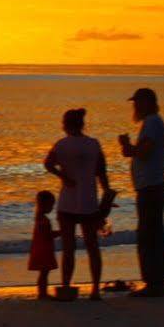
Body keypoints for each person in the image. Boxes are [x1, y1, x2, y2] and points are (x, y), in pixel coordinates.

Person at [43, 108, 109, 300]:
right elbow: (101, 173)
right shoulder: (94, 144)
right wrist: (107, 195)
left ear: (65, 125)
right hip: (89, 202)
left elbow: (47, 164)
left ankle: (65, 286)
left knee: (69, 248)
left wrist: (63, 176)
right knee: (92, 247)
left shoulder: (61, 145)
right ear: (82, 124)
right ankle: (95, 289)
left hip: (67, 203)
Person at [119, 87, 164, 297]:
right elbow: (140, 152)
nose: (135, 107)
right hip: (150, 186)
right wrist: (129, 148)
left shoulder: (153, 123)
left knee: (149, 236)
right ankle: (155, 281)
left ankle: (154, 283)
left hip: (151, 187)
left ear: (148, 103)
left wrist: (128, 147)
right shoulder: (152, 123)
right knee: (151, 234)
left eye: (138, 102)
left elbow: (144, 152)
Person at [28, 189, 57, 299]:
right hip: (43, 250)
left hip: (40, 248)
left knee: (43, 273)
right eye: (51, 205)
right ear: (44, 205)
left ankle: (42, 293)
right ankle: (42, 293)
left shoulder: (39, 218)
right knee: (44, 273)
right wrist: (61, 232)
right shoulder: (44, 220)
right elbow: (48, 235)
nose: (52, 208)